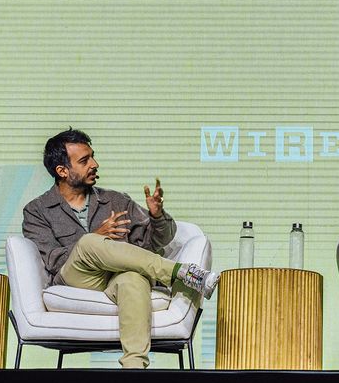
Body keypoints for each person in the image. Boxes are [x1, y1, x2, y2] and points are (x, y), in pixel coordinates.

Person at [22, 127, 219, 369]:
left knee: (134, 278)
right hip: (77, 277)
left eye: (93, 157)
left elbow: (152, 244)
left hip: (116, 277)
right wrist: (97, 238)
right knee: (88, 243)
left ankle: (134, 369)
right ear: (62, 171)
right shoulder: (37, 210)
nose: (95, 164)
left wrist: (157, 217)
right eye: (84, 161)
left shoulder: (116, 200)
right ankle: (182, 273)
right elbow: (53, 259)